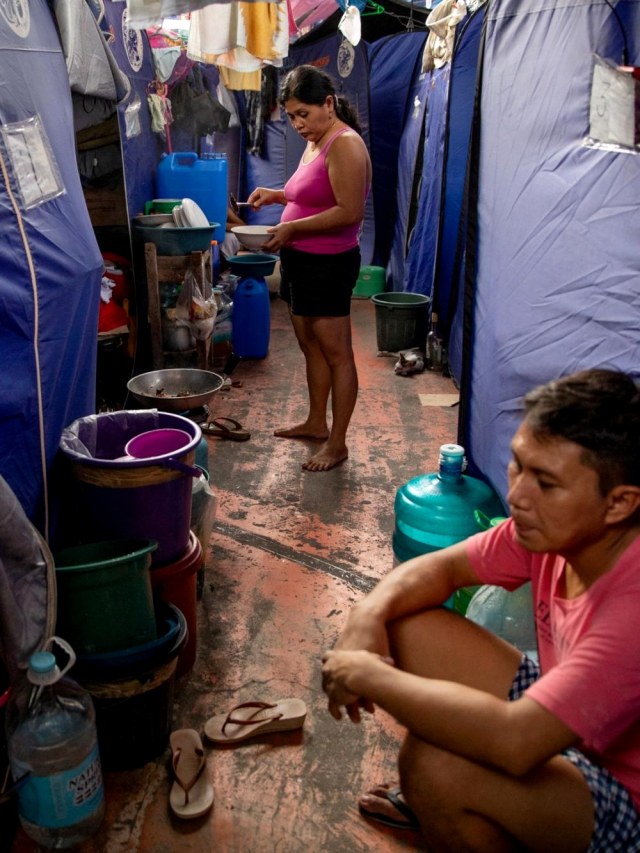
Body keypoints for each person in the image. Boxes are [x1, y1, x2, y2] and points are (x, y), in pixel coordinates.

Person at [321, 368, 640, 851]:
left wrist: (366, 675)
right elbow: (440, 571)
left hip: (627, 795)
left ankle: (466, 803)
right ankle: (476, 809)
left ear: (619, 503)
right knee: (406, 622)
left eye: (547, 484)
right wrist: (365, 618)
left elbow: (516, 743)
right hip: (575, 731)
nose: (517, 496)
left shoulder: (632, 610)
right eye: (518, 466)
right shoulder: (557, 531)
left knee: (434, 768)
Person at [247, 65, 372, 472]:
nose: (298, 124)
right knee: (309, 346)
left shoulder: (345, 144)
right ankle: (317, 423)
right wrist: (277, 193)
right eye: (292, 116)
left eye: (304, 113)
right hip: (300, 259)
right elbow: (313, 191)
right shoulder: (316, 141)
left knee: (337, 353)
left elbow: (349, 212)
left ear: (329, 104)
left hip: (329, 263)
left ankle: (338, 443)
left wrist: (291, 227)